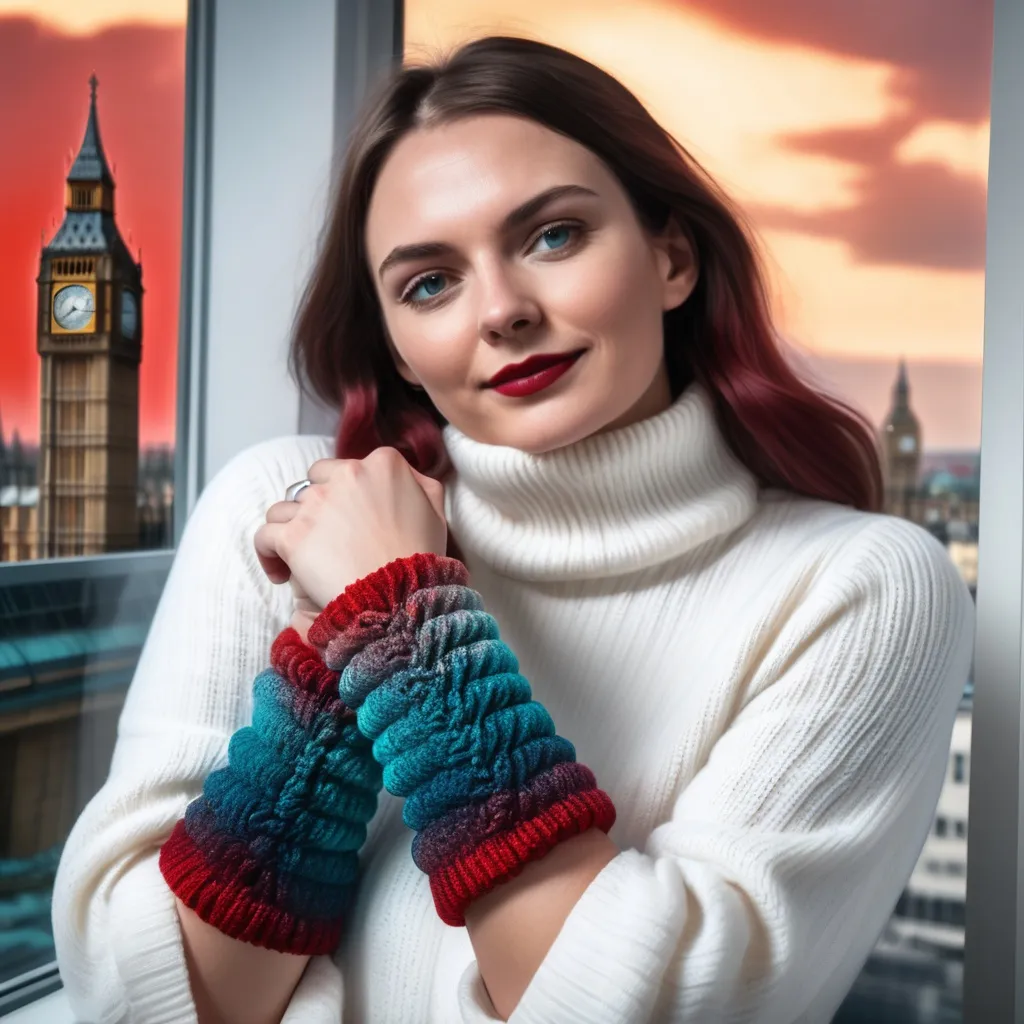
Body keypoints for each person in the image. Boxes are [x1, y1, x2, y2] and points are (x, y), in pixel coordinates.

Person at [52, 34, 975, 1024]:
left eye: (552, 236)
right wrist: (337, 671)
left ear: (671, 256)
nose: (500, 312)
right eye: (428, 284)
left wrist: (410, 633)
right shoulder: (282, 511)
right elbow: (138, 997)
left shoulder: (860, 588)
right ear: (397, 349)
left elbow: (646, 1009)